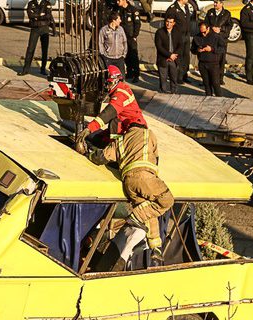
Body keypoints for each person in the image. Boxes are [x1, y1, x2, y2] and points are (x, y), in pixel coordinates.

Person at [75, 65, 174, 266]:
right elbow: (156, 160)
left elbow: (109, 116)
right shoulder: (148, 135)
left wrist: (89, 136)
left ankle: (156, 249)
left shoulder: (121, 96)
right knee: (164, 201)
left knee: (147, 209)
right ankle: (143, 228)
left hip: (128, 181)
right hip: (145, 177)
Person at [18, 0, 54, 76]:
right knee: (30, 49)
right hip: (34, 28)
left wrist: (36, 16)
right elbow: (30, 15)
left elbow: (48, 15)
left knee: (44, 50)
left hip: (44, 28)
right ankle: (25, 69)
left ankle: (43, 69)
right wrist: (40, 15)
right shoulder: (31, 3)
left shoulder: (47, 3)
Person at [191, 21, 225, 97]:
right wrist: (197, 50)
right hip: (202, 63)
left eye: (204, 31)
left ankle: (219, 98)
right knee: (206, 83)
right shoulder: (196, 37)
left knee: (216, 83)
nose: (203, 34)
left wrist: (212, 49)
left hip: (213, 64)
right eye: (201, 31)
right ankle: (208, 97)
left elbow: (222, 49)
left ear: (208, 28)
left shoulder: (216, 36)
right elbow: (192, 49)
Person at [204, 0, 232, 85]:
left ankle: (220, 78)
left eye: (216, 2)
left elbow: (229, 26)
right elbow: (205, 23)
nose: (214, 4)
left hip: (221, 39)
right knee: (209, 58)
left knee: (221, 59)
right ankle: (208, 78)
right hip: (211, 38)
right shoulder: (210, 12)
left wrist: (221, 29)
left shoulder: (227, 13)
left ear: (221, 3)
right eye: (214, 2)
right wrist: (209, 29)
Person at [166, 0, 192, 84]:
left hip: (186, 35)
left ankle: (184, 75)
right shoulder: (172, 9)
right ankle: (177, 77)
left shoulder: (186, 7)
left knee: (186, 56)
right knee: (179, 56)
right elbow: (168, 23)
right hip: (177, 36)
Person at [155, 16, 182, 94]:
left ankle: (174, 92)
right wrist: (169, 55)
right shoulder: (159, 32)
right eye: (167, 22)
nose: (168, 24)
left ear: (174, 23)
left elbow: (180, 45)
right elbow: (159, 46)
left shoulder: (177, 32)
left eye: (170, 22)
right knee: (163, 78)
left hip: (174, 59)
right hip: (163, 59)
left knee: (174, 78)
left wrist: (174, 55)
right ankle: (163, 93)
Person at [118, 0, 141, 83]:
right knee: (126, 55)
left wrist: (135, 35)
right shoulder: (119, 10)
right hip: (122, 37)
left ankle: (136, 74)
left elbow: (137, 24)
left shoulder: (133, 10)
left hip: (131, 37)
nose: (117, 2)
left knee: (133, 56)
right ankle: (130, 72)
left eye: (119, 0)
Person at [98, 12, 128, 76]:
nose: (120, 21)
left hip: (120, 58)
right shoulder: (104, 30)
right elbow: (100, 42)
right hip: (108, 58)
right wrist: (103, 54)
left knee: (121, 77)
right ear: (114, 20)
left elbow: (124, 41)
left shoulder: (121, 29)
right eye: (118, 19)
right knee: (109, 77)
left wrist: (124, 54)